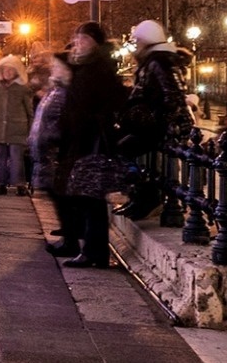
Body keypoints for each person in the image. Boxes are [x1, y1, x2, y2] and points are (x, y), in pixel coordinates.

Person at [54, 21, 126, 268]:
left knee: (90, 197)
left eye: (84, 39)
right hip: (83, 139)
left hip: (90, 141)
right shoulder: (88, 67)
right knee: (87, 196)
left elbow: (91, 106)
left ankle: (94, 252)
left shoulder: (97, 68)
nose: (78, 44)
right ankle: (91, 250)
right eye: (77, 39)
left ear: (96, 42)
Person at [115, 19, 194, 220]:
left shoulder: (159, 61)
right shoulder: (156, 60)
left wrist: (156, 122)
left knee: (126, 149)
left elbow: (172, 96)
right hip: (154, 123)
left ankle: (147, 198)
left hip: (159, 126)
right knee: (134, 154)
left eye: (138, 41)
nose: (136, 46)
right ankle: (139, 197)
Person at [31, 56, 76, 255]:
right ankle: (68, 238)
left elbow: (60, 122)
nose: (53, 68)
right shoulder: (56, 89)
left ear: (67, 70)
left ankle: (70, 242)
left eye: (57, 66)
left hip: (55, 153)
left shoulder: (65, 92)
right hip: (47, 152)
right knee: (57, 196)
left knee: (62, 197)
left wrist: (50, 141)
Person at [0, 60, 35, 195]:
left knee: (16, 158)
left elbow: (29, 111)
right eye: (5, 70)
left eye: (11, 70)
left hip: (17, 128)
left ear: (16, 72)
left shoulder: (23, 88)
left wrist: (30, 130)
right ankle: (0, 184)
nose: (7, 72)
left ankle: (20, 185)